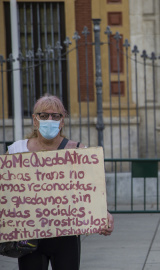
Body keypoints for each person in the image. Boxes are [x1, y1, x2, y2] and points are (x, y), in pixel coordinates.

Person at [6, 94, 114, 270]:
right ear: (35, 120)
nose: (50, 120)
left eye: (55, 116)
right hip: (29, 236)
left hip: (66, 236)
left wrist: (103, 215)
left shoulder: (78, 152)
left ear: (62, 122)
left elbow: (91, 190)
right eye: (44, 115)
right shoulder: (16, 150)